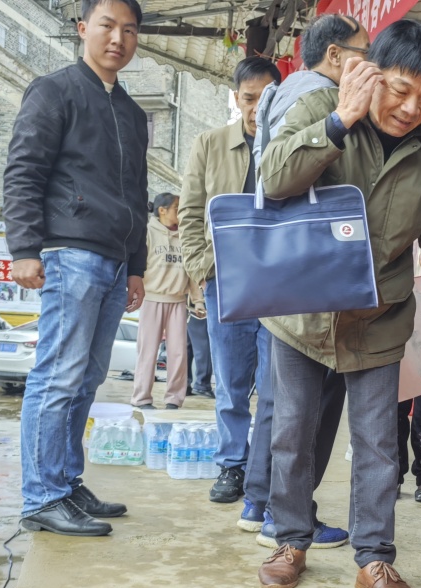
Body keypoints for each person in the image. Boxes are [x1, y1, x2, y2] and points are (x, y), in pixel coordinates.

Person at [255, 20, 421, 588]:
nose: (412, 108)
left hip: (380, 313)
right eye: (401, 90)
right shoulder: (321, 107)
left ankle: (374, 558)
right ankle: (290, 541)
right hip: (302, 308)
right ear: (370, 73)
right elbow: (273, 179)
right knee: (292, 434)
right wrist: (338, 122)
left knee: (378, 443)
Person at [4, 0, 148, 537]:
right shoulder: (55, 91)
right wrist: (25, 248)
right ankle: (42, 496)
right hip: (71, 254)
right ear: (83, 28)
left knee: (87, 379)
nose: (118, 38)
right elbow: (24, 171)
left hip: (114, 260)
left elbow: (137, 193)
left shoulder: (131, 112)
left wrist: (137, 265)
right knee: (58, 375)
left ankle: (65, 482)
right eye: (107, 26)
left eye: (129, 30)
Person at [241, 13, 369, 545]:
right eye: (363, 51)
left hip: (284, 265)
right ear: (335, 55)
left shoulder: (285, 91)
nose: (370, 64)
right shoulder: (321, 99)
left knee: (280, 400)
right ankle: (284, 515)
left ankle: (259, 501)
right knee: (309, 406)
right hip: (315, 266)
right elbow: (279, 175)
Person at [178, 56, 281, 504]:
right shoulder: (210, 143)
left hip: (280, 285)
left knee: (276, 387)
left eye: (266, 97)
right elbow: (189, 211)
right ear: (236, 98)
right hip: (227, 282)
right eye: (249, 98)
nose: (257, 108)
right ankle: (232, 466)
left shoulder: (291, 144)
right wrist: (202, 269)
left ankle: (265, 472)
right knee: (231, 383)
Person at [132, 193, 197, 411]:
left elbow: (192, 271)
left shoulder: (185, 235)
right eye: (177, 207)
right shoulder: (147, 232)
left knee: (178, 353)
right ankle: (141, 398)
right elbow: (137, 264)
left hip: (178, 300)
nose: (181, 212)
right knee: (148, 351)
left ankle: (174, 399)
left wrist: (197, 301)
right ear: (162, 210)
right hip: (152, 298)